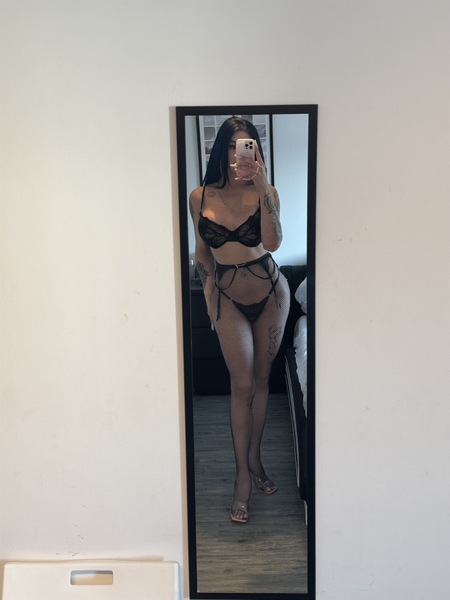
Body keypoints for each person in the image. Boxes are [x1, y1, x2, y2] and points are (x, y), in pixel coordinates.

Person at [189, 117, 290, 524]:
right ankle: (242, 477)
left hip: (271, 295)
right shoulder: (200, 196)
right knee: (242, 385)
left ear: (257, 151)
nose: (239, 153)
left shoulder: (267, 192)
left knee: (262, 382)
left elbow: (273, 243)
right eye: (232, 145)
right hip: (228, 297)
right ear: (222, 151)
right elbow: (202, 251)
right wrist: (208, 294)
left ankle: (256, 460)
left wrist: (263, 188)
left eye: (247, 145)